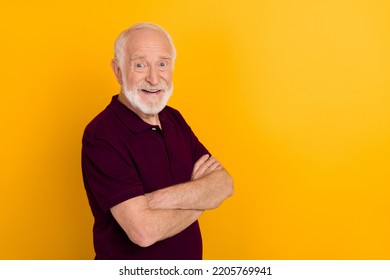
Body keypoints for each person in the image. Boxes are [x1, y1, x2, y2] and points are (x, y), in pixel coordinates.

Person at [81, 22, 234, 260]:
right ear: (118, 70)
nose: (154, 78)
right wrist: (203, 198)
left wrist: (155, 201)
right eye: (140, 65)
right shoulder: (102, 135)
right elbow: (143, 232)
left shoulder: (173, 118)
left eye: (162, 64)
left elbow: (224, 184)